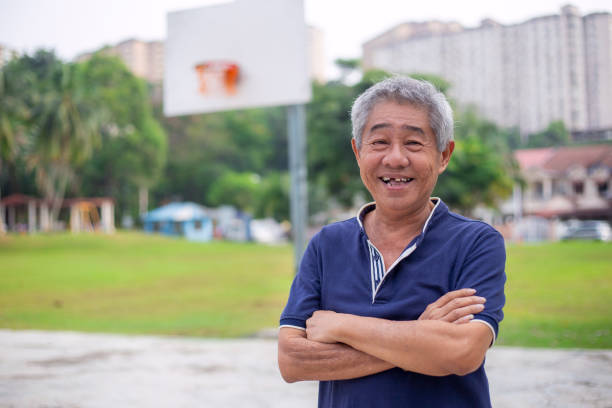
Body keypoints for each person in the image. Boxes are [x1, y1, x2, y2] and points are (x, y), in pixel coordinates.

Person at [278, 76, 506, 407]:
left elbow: (462, 352)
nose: (396, 158)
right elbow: (292, 361)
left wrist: (341, 326)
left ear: (444, 155)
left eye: (414, 143)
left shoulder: (476, 243)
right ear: (358, 152)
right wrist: (423, 338)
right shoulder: (326, 245)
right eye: (379, 142)